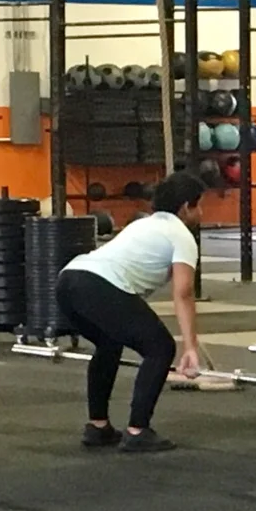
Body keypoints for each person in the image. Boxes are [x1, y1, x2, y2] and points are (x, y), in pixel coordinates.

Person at [56, 171, 211, 454]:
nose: (201, 212)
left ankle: (98, 427)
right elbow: (184, 293)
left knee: (109, 344)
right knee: (160, 347)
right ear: (185, 207)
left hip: (68, 281)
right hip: (99, 285)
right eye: (199, 205)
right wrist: (190, 347)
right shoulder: (182, 236)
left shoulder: (143, 223)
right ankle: (138, 430)